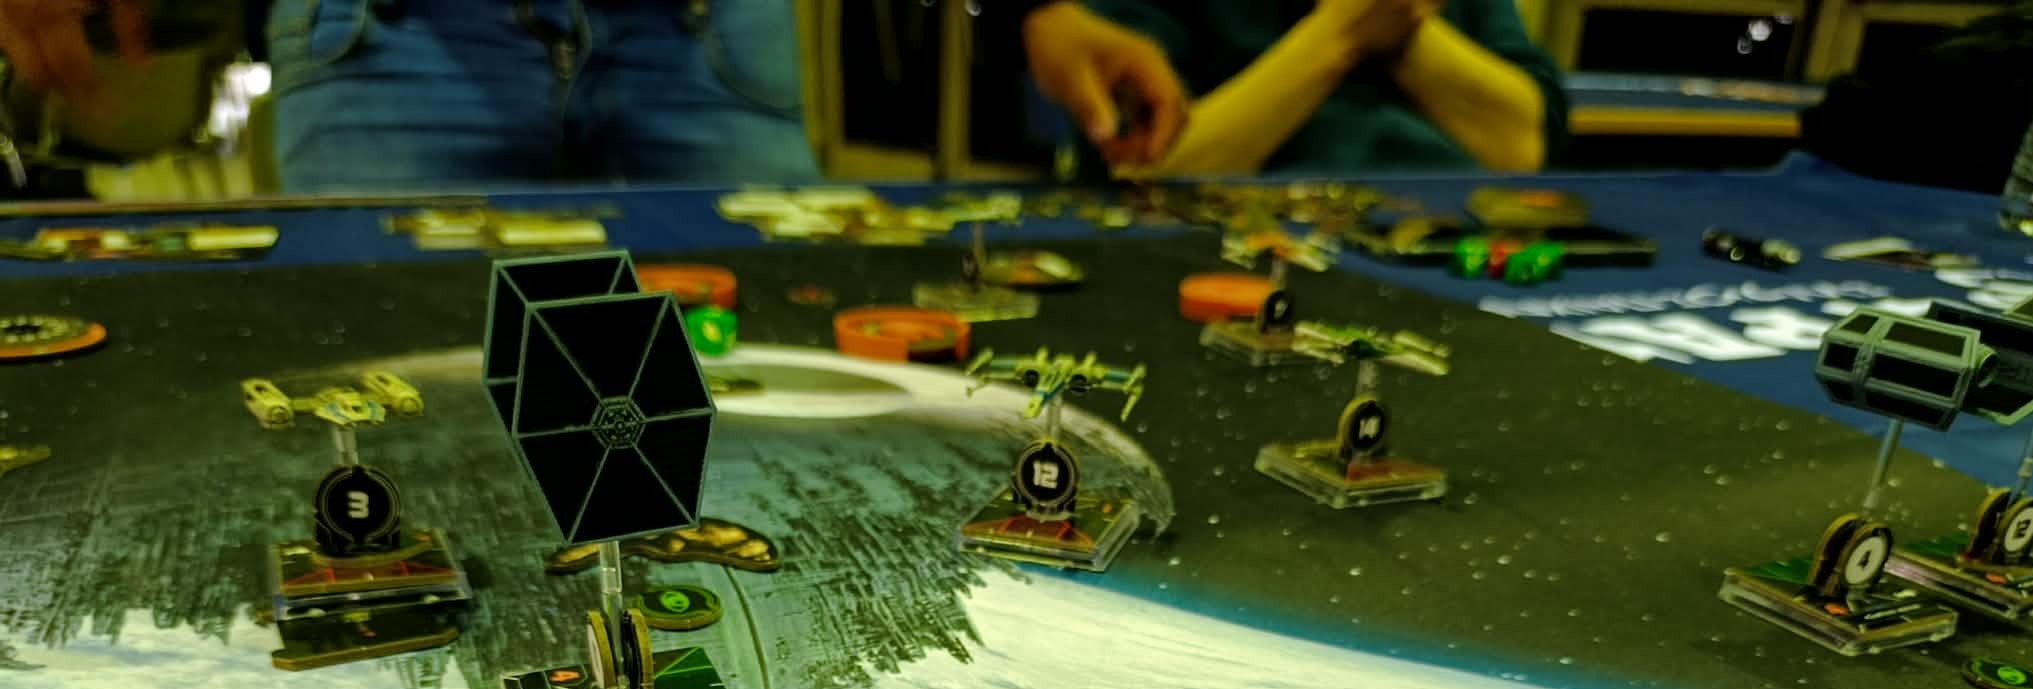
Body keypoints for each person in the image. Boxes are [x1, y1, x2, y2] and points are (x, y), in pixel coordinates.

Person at [0, 0, 1190, 190]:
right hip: (397, 38)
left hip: (703, 40)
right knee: (386, 445)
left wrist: (1027, 8)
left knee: (774, 423)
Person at [1084, 0, 1567, 175]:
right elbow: (1139, 163)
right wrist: (1339, 35)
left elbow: (1524, 146)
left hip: (1456, 238)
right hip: (1228, 248)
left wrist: (1401, 27)